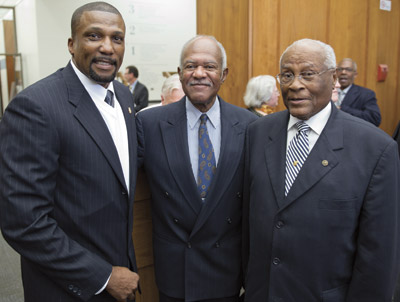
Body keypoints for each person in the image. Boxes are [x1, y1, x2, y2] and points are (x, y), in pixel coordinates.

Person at [0, 2, 140, 301]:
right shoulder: (35, 107)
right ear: (71, 44)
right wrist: (102, 276)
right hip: (68, 287)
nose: (107, 47)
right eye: (93, 36)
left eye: (117, 38)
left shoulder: (124, 96)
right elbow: (23, 222)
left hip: (122, 277)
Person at [243, 38, 400, 302]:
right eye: (287, 75)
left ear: (334, 77)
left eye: (308, 74)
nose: (295, 85)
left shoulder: (375, 149)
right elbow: (249, 220)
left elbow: (379, 256)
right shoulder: (257, 132)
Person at [136, 35, 257, 302]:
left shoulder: (250, 126)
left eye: (210, 66)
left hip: (227, 272)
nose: (199, 74)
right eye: (190, 66)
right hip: (175, 272)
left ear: (224, 74)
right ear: (179, 74)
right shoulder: (149, 124)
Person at [336, 58, 381, 126]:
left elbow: (374, 118)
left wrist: (342, 109)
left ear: (355, 74)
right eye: (340, 69)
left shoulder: (366, 94)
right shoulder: (328, 91)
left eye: (348, 69)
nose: (343, 72)